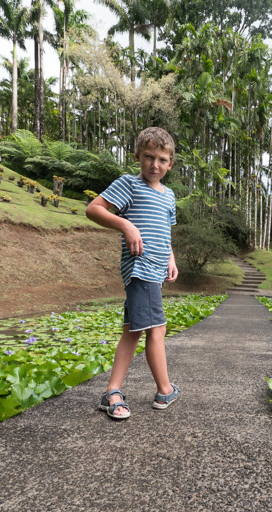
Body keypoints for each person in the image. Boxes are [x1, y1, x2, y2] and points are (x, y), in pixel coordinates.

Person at [85, 127, 180, 420]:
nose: (155, 165)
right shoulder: (129, 184)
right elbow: (93, 209)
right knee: (157, 330)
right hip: (140, 268)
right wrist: (126, 225)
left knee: (133, 331)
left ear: (170, 163)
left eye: (162, 159)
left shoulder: (169, 196)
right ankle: (165, 390)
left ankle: (112, 391)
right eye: (149, 157)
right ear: (138, 156)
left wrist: (171, 259)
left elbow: (165, 233)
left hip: (156, 270)